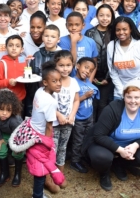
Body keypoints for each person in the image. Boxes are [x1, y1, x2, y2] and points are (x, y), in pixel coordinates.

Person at [9, 61, 65, 198]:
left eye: (60, 80)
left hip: (31, 130)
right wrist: (47, 145)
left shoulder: (39, 91)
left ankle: (38, 193)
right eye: (54, 81)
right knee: (40, 170)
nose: (59, 83)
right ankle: (38, 195)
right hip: (40, 138)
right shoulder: (51, 102)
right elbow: (49, 126)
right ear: (45, 82)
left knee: (37, 167)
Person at [83, 79, 140, 191]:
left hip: (129, 146)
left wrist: (136, 145)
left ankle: (119, 164)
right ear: (124, 97)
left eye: (137, 97)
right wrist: (120, 150)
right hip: (105, 143)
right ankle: (104, 173)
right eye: (129, 97)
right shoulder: (113, 109)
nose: (133, 101)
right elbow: (98, 135)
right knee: (101, 157)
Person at [51, 50, 80, 193]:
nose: (65, 68)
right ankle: (50, 177)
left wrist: (72, 115)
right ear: (55, 65)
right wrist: (57, 115)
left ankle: (60, 175)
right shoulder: (52, 80)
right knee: (52, 149)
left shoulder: (73, 82)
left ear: (73, 65)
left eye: (68, 65)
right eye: (61, 65)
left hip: (68, 123)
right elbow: (46, 101)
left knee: (62, 148)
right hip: (54, 124)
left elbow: (76, 100)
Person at [0, 90, 23, 187]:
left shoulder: (15, 120)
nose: (4, 113)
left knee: (18, 152)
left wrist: (17, 145)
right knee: (0, 149)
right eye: (1, 109)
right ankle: (4, 174)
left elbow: (19, 133)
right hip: (3, 133)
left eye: (8, 110)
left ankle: (17, 174)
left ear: (13, 110)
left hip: (17, 134)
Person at [85, 4, 115, 121]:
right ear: (96, 16)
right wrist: (92, 76)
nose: (104, 18)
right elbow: (87, 57)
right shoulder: (90, 32)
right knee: (92, 104)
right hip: (92, 76)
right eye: (101, 15)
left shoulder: (114, 33)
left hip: (109, 77)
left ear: (112, 17)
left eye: (108, 15)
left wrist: (107, 78)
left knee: (103, 105)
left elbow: (115, 58)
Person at [70, 57, 99, 173]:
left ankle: (83, 157)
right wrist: (85, 96)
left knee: (87, 138)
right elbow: (72, 101)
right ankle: (74, 161)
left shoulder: (87, 82)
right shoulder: (72, 82)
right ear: (77, 66)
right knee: (78, 140)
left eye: (90, 70)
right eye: (86, 67)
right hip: (78, 118)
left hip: (89, 116)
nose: (87, 71)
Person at [107, 16, 140, 100]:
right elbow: (113, 71)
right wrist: (122, 90)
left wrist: (134, 88)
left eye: (125, 29)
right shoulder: (111, 46)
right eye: (118, 30)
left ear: (131, 29)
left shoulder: (138, 45)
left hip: (138, 89)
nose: (121, 32)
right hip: (119, 91)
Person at [58, 12, 98, 78]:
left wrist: (90, 81)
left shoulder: (90, 42)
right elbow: (72, 62)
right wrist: (73, 42)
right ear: (66, 26)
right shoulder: (61, 41)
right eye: (70, 25)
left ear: (83, 25)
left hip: (85, 81)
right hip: (68, 79)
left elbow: (94, 63)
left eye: (77, 25)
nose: (73, 28)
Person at [0, 34, 26, 99]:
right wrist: (8, 82)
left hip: (22, 97)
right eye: (11, 45)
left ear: (22, 49)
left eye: (17, 46)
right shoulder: (2, 63)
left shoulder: (23, 61)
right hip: (7, 99)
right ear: (6, 47)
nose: (14, 48)